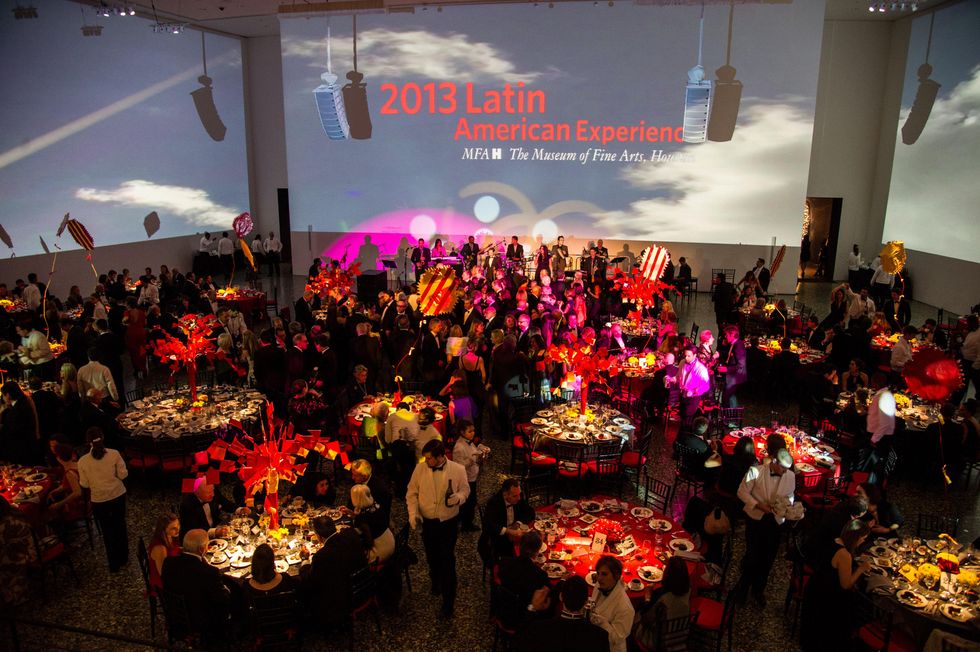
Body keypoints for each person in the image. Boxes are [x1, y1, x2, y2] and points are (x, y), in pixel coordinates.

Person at [406, 439, 470, 618]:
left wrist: (458, 497)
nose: (426, 461)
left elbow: (466, 491)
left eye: (429, 459)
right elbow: (411, 493)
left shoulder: (458, 470)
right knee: (431, 555)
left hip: (448, 523)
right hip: (428, 523)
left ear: (441, 456)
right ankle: (436, 581)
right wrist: (413, 514)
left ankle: (448, 604)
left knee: (447, 560)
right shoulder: (420, 469)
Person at [736, 438, 796, 606]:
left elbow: (790, 496)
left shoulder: (790, 476)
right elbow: (741, 492)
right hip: (756, 519)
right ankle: (742, 590)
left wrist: (788, 507)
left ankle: (758, 590)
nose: (784, 472)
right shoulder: (756, 471)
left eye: (787, 469)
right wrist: (758, 505)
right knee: (752, 556)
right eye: (782, 468)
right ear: (774, 461)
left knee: (768, 559)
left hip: (776, 522)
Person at [800, 519, 872, 651]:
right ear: (855, 537)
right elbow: (845, 585)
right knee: (858, 605)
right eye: (863, 538)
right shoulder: (844, 554)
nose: (863, 542)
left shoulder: (835, 540)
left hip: (815, 586)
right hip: (825, 596)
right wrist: (861, 569)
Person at [162, 529, 232, 646]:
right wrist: (226, 588)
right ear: (201, 549)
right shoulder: (209, 572)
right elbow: (223, 599)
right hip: (200, 620)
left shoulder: (168, 563)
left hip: (176, 616)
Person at [300, 515, 367, 629]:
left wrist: (305, 561)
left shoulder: (322, 557)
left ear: (319, 536)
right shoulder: (350, 533)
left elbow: (311, 581)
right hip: (360, 583)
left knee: (302, 587)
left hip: (340, 598)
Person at [77, 427, 129, 572]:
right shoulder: (114, 454)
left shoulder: (82, 461)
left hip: (99, 500)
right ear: (103, 437)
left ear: (88, 443)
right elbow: (123, 475)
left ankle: (114, 563)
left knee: (107, 531)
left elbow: (85, 484)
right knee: (120, 525)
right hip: (117, 494)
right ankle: (124, 557)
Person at [517, 575, 610, 652]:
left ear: (561, 597)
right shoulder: (600, 636)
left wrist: (532, 608)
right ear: (586, 602)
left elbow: (518, 642)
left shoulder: (539, 628)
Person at [633, 556, 691, 651]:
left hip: (659, 642)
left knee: (634, 614)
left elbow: (646, 619)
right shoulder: (688, 590)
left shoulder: (662, 596)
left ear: (667, 574)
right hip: (681, 636)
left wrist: (648, 597)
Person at [497, 531, 550, 628]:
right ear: (537, 552)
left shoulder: (505, 562)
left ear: (519, 546)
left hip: (503, 611)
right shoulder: (540, 575)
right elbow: (544, 601)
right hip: (525, 620)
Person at [478, 478, 537, 563]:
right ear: (505, 494)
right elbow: (489, 525)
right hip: (497, 539)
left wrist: (517, 523)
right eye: (515, 496)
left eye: (519, 494)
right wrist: (509, 531)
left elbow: (530, 512)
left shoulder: (518, 496)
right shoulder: (494, 503)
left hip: (515, 533)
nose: (519, 498)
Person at [589, 555, 635, 652]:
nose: (599, 578)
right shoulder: (601, 585)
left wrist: (601, 621)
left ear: (617, 576)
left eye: (604, 574)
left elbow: (617, 638)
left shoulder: (625, 607)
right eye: (598, 573)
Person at [452, 419, 486, 532]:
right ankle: (467, 525)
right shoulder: (459, 447)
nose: (473, 433)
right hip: (466, 479)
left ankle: (463, 519)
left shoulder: (469, 441)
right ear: (462, 432)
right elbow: (458, 466)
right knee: (469, 503)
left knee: (470, 501)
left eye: (473, 430)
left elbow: (473, 451)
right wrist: (473, 459)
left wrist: (481, 449)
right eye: (470, 431)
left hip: (472, 477)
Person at [0, 381, 41, 465]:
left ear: (8, 395)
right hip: (29, 445)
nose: (3, 398)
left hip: (21, 449)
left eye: (3, 395)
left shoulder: (17, 409)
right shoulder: (24, 401)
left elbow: (11, 431)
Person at [349, 459, 392, 526]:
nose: (352, 477)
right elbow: (352, 502)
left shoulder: (379, 489)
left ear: (365, 476)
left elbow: (377, 515)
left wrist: (355, 516)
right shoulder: (358, 481)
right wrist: (348, 510)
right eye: (352, 474)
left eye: (355, 475)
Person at [673, 345, 710, 422]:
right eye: (685, 355)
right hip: (682, 395)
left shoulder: (701, 368)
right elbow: (678, 376)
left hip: (693, 397)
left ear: (695, 355)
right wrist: (672, 379)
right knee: (682, 417)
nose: (686, 358)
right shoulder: (682, 362)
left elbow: (706, 386)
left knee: (687, 418)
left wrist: (696, 391)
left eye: (688, 356)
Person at [147, 513, 181, 596]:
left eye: (178, 525)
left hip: (172, 569)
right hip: (162, 584)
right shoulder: (160, 549)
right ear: (163, 529)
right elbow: (163, 574)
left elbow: (175, 550)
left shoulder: (169, 536)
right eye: (173, 528)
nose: (178, 529)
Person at [717, 324, 747, 407]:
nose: (725, 337)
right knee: (730, 397)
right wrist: (719, 353)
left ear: (732, 334)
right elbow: (730, 355)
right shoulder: (734, 343)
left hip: (735, 377)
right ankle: (731, 416)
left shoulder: (739, 345)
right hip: (732, 375)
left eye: (726, 335)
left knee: (726, 398)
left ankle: (727, 417)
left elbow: (741, 365)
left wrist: (726, 369)